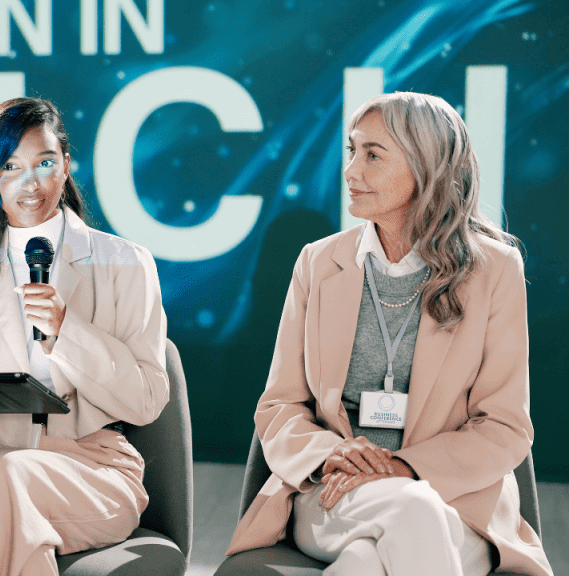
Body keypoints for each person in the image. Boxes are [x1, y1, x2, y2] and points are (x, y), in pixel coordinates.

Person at [225, 92, 553, 576]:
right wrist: (336, 453)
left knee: (367, 559)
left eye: (373, 155)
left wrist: (406, 468)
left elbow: (505, 427)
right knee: (410, 511)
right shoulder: (318, 262)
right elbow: (279, 406)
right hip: (332, 492)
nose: (351, 171)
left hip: (457, 501)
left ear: (428, 166)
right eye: (351, 152)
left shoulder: (494, 269)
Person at [0, 97, 169, 575]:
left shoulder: (125, 263)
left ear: (66, 167)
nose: (30, 182)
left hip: (95, 474)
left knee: (2, 483)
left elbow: (147, 401)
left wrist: (68, 332)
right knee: (6, 491)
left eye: (45, 163)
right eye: (11, 167)